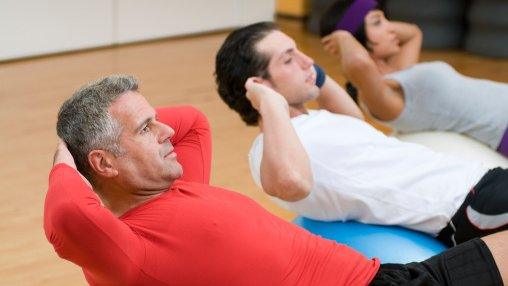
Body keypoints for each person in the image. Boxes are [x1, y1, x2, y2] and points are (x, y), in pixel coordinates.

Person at [44, 74, 508, 286]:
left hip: (382, 274)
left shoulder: (179, 185)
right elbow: (68, 212)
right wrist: (66, 157)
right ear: (103, 164)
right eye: (147, 128)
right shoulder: (129, 253)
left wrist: (123, 134)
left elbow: (192, 121)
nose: (166, 131)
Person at [214, 21, 508, 247]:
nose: (307, 62)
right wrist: (269, 103)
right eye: (289, 59)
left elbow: (354, 119)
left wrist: (304, 71)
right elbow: (291, 183)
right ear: (260, 86)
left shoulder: (313, 121)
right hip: (468, 206)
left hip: (485, 182)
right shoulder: (270, 149)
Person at [319, 0, 508, 156]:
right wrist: (343, 37)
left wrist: (376, 21)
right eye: (378, 22)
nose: (391, 28)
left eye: (386, 19)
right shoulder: (381, 97)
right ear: (356, 38)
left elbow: (413, 33)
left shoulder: (399, 70)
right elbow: (359, 65)